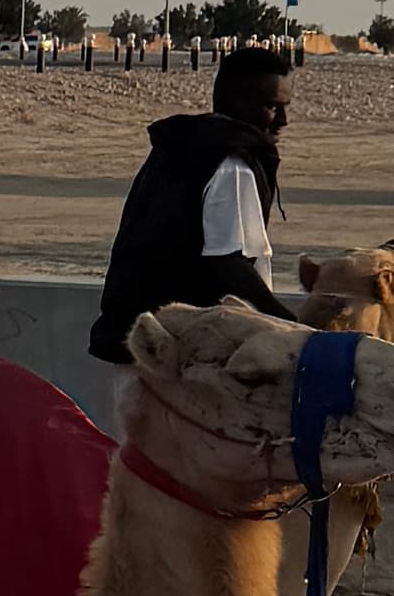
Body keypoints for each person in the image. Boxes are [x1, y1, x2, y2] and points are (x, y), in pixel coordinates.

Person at [87, 43, 304, 365]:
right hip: (179, 355)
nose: (283, 120)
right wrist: (292, 328)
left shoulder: (177, 146)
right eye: (273, 107)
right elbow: (227, 265)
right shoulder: (231, 163)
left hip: (134, 343)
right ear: (238, 102)